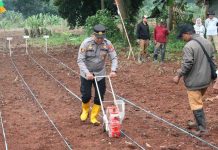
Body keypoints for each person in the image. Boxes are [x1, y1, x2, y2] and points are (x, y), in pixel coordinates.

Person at [173, 24, 214, 135]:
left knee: (196, 104)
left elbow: (187, 64)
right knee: (198, 101)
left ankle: (202, 129)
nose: (182, 39)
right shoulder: (207, 42)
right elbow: (212, 59)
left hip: (195, 81)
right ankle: (198, 122)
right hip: (206, 80)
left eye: (182, 36)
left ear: (187, 34)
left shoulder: (189, 46)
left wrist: (178, 75)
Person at [77, 24, 118, 126]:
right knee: (86, 95)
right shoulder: (86, 43)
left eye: (102, 38)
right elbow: (80, 60)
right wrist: (87, 73)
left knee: (99, 95)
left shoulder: (107, 43)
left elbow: (114, 58)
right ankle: (85, 111)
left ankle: (94, 117)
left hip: (100, 73)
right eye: (98, 38)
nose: (100, 40)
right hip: (86, 73)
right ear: (93, 35)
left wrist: (113, 70)